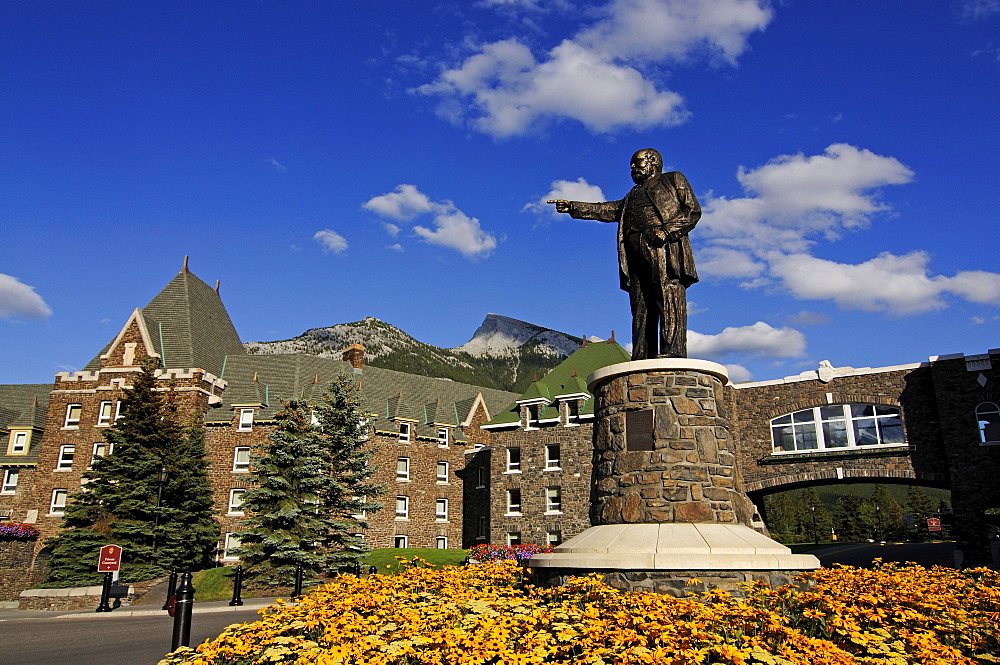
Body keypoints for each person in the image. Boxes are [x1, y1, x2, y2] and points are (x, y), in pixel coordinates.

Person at [550, 148, 701, 359]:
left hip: (662, 246)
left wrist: (667, 232)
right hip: (633, 251)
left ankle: (672, 351)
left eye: (637, 163)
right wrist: (574, 206)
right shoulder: (632, 195)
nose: (632, 168)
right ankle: (642, 354)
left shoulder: (672, 180)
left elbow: (692, 210)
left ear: (653, 162)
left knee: (666, 295)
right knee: (640, 303)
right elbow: (608, 209)